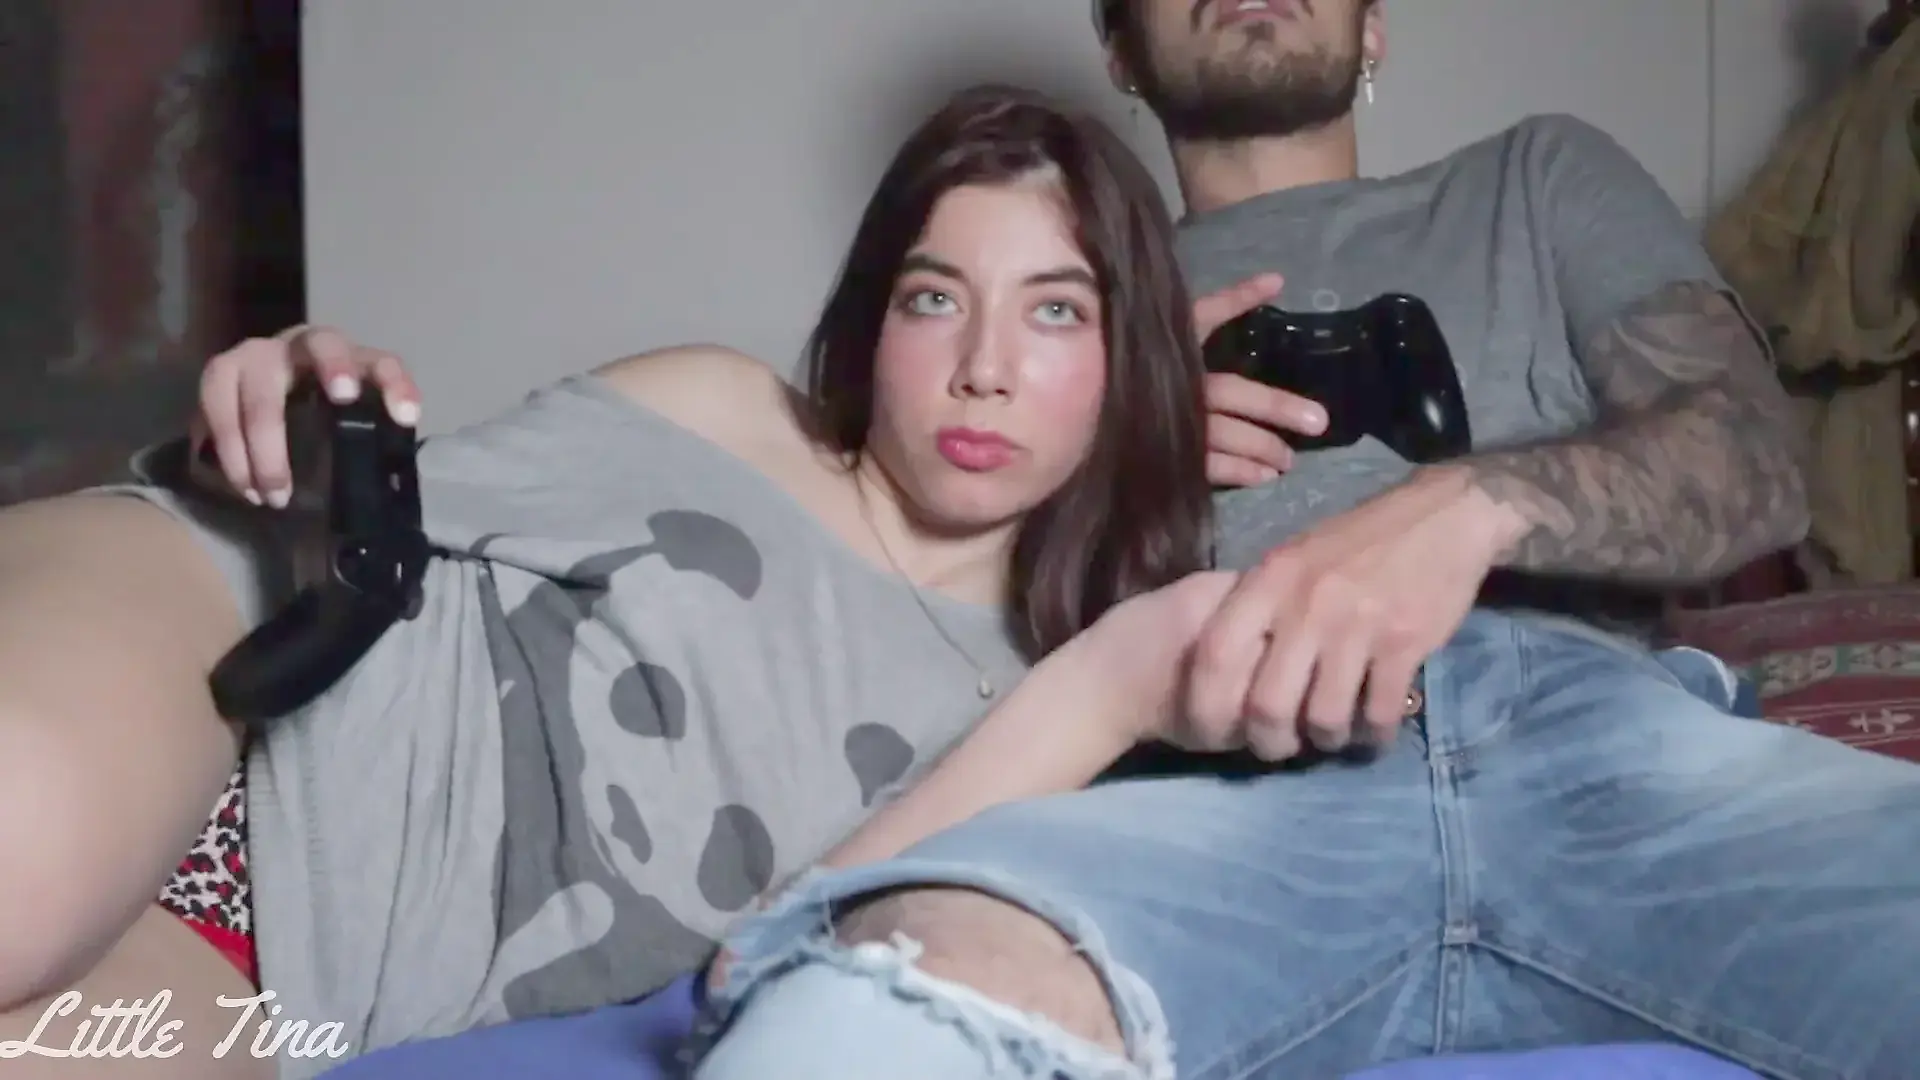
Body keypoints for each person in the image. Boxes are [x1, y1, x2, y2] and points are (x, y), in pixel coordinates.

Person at [668, 2, 1920, 1078]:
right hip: (1210, 782)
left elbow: (1756, 462)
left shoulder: (1535, 180)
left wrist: (1466, 506)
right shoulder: (1049, 303)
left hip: (1604, 740)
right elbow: (916, 558)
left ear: (1374, 26)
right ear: (1119, 47)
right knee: (864, 1012)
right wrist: (1113, 438)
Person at [0, 85, 1236, 1078]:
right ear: (876, 321)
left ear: (1127, 356)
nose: (984, 367)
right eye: (935, 298)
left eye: (1057, 313)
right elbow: (366, 509)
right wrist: (303, 392)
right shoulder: (728, 409)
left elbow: (788, 955)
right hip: (214, 653)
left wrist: (1137, 561)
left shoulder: (1049, 708)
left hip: (295, 963)